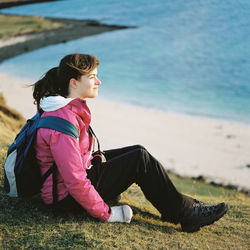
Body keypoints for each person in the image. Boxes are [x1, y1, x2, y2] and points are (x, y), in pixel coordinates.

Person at [33, 53, 228, 233]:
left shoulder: (66, 108)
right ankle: (186, 214)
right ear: (74, 83)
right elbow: (74, 181)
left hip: (69, 183)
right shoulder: (62, 122)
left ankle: (177, 206)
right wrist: (107, 214)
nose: (98, 82)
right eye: (92, 77)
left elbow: (74, 158)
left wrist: (98, 160)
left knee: (137, 150)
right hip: (65, 198)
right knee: (138, 160)